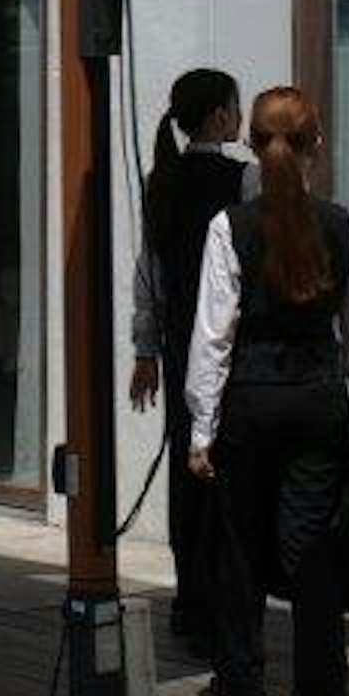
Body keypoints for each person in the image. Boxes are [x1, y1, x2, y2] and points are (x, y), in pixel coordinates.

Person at [184, 86, 349, 696]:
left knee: (241, 540)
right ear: (316, 146)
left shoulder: (230, 226)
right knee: (314, 550)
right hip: (316, 401)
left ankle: (242, 675)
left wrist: (201, 428)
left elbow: (213, 333)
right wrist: (338, 373)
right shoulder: (340, 222)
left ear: (250, 141)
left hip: (249, 400)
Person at [126, 66, 244, 650]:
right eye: (236, 105)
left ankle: (190, 600)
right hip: (228, 347)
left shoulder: (162, 179)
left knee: (184, 473)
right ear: (221, 117)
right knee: (226, 472)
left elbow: (148, 271)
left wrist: (145, 350)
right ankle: (223, 602)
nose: (239, 115)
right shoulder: (242, 182)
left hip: (176, 346)